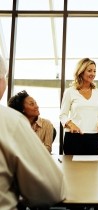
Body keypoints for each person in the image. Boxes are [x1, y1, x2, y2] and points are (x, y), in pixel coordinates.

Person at [0, 55, 66, 209]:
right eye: (31, 103)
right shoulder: (12, 121)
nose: (36, 106)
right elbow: (52, 189)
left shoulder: (45, 125)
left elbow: (47, 150)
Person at [59, 57, 98, 155]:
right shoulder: (70, 92)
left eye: (95, 71)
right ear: (81, 71)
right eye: (89, 71)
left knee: (97, 168)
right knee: (73, 170)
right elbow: (63, 115)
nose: (93, 74)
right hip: (74, 138)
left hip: (94, 137)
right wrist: (71, 124)